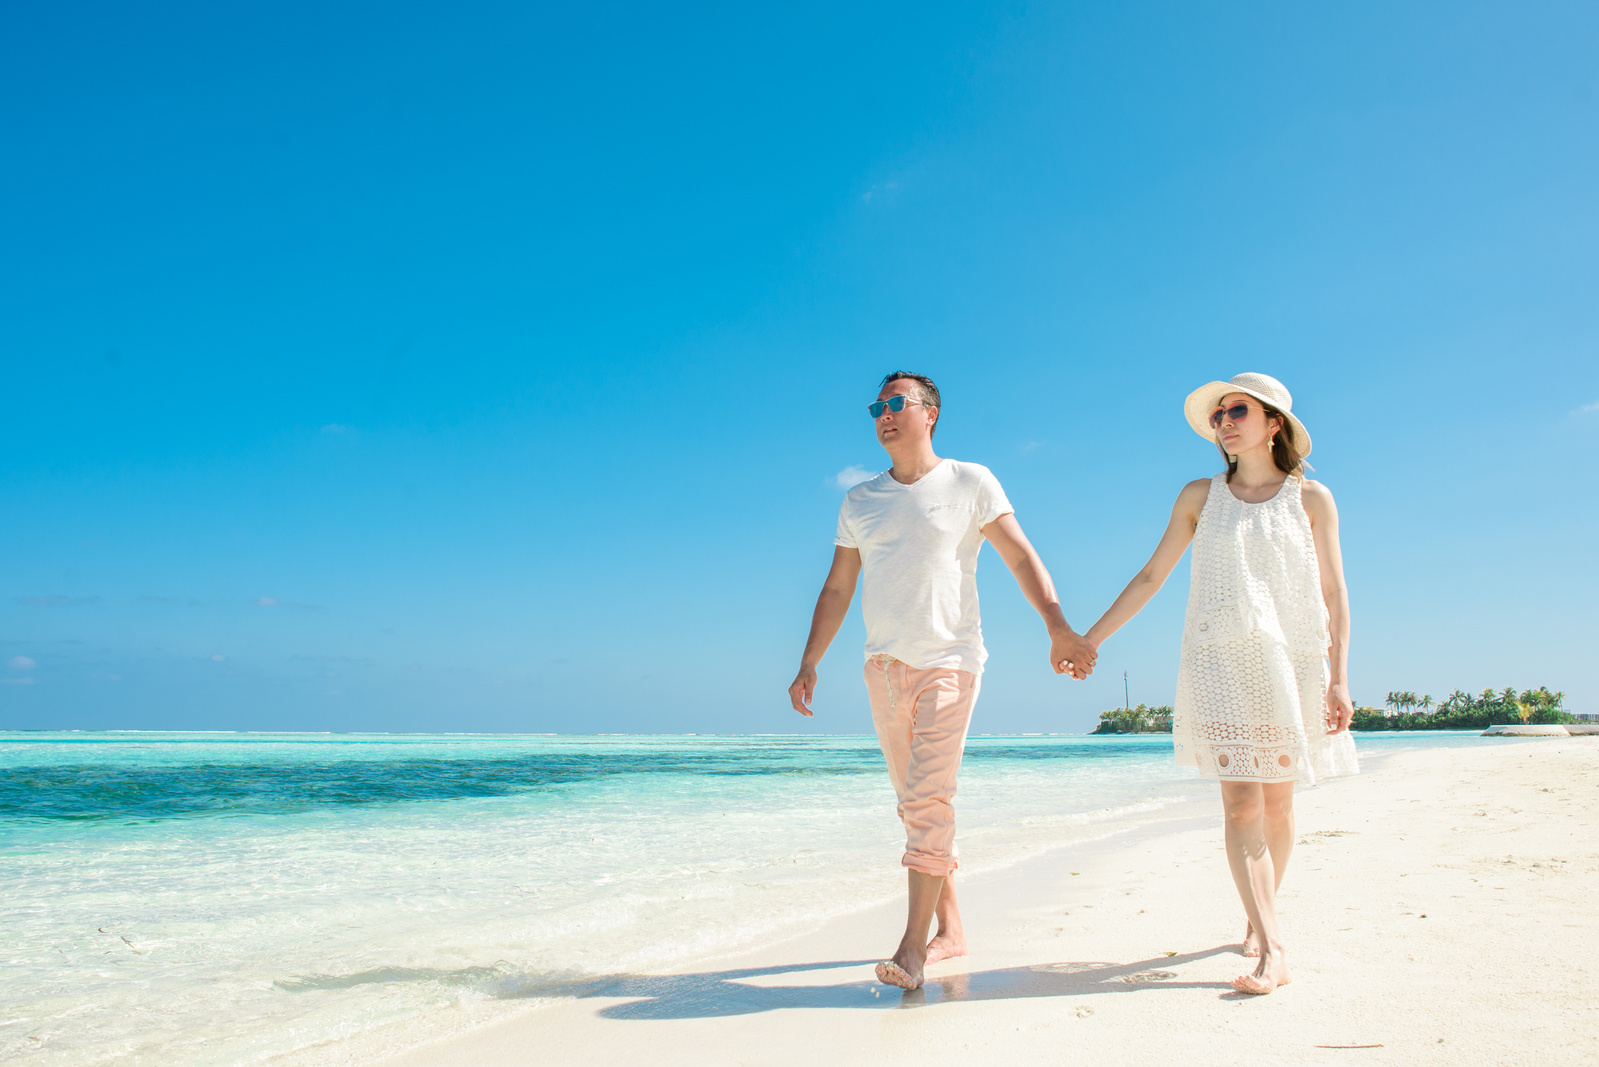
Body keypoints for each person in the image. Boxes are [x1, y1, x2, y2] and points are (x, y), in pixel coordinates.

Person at [787, 371, 1097, 991]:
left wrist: (1057, 627)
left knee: (930, 800)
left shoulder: (969, 481)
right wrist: (809, 660)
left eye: (897, 403)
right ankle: (952, 930)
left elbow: (1019, 556)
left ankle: (912, 950)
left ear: (930, 414)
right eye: (877, 406)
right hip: (882, 668)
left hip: (951, 662)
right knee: (915, 806)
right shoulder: (860, 500)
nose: (884, 414)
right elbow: (838, 586)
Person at [1083, 372, 1359, 995]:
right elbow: (1153, 575)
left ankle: (1259, 922)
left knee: (1281, 803)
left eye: (1237, 410)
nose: (1225, 421)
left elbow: (1335, 593)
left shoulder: (1312, 500)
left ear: (1274, 424)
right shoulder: (1199, 497)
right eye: (1217, 416)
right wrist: (1091, 639)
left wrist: (1340, 677)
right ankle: (1273, 946)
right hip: (1218, 663)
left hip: (1291, 662)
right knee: (1240, 803)